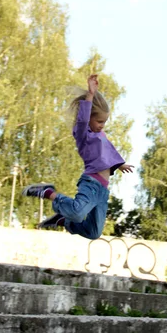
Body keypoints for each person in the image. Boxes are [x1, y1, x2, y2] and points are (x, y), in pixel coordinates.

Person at [22, 74, 134, 240]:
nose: (102, 125)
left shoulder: (100, 134)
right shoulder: (83, 134)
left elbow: (108, 152)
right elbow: (82, 119)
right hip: (91, 183)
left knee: (94, 232)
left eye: (104, 122)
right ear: (89, 118)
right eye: (99, 121)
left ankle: (62, 221)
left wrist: (119, 165)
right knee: (76, 212)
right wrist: (90, 94)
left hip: (102, 191)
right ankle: (48, 192)